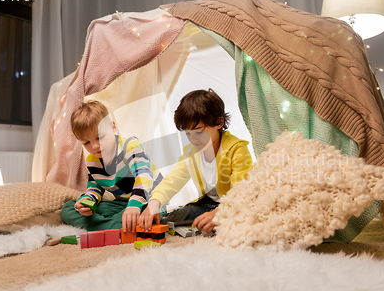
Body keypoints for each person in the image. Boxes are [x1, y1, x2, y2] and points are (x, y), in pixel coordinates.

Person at [138, 89, 253, 232]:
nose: (193, 139)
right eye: (188, 133)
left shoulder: (237, 149)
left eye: (199, 131)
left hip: (236, 204)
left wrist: (220, 213)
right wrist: (154, 204)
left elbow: (242, 192)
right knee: (172, 219)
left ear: (218, 122)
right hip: (208, 204)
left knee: (233, 224)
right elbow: (172, 181)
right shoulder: (191, 154)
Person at [61, 100, 164, 232]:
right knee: (68, 209)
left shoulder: (129, 146)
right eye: (86, 142)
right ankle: (116, 225)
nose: (95, 146)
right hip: (123, 204)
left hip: (150, 201)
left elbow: (144, 176)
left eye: (100, 137)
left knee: (138, 213)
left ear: (113, 127)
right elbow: (95, 188)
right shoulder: (92, 160)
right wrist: (87, 200)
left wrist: (134, 205)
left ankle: (111, 225)